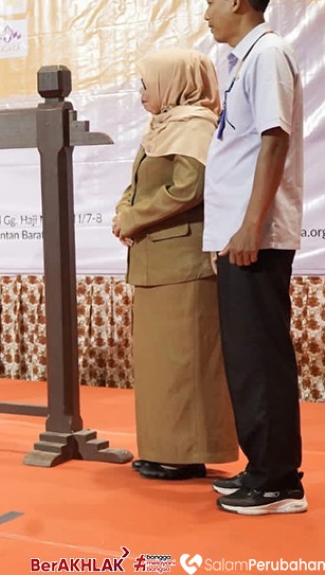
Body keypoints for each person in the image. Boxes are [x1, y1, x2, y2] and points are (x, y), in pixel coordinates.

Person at [202, 0, 306, 515]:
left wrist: (249, 224)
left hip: (256, 235)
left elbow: (273, 141)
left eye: (212, 1)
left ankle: (277, 483)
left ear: (238, 2)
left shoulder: (267, 54)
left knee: (260, 358)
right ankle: (263, 468)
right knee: (248, 358)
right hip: (237, 234)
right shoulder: (239, 60)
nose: (207, 13)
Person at [112, 49, 237, 481]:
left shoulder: (195, 126)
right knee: (159, 365)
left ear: (173, 83)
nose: (142, 93)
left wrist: (133, 216)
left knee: (186, 364)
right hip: (154, 263)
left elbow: (189, 188)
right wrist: (123, 209)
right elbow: (138, 187)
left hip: (183, 266)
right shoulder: (162, 127)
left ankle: (188, 454)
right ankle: (165, 448)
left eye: (147, 84)